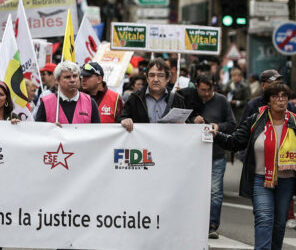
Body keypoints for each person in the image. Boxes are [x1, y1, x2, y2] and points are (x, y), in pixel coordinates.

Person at [214, 82, 296, 250]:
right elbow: (236, 141)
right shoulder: (256, 119)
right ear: (268, 101)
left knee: (279, 224)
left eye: (284, 97)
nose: (280, 100)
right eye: (275, 97)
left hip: (287, 181)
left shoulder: (294, 121)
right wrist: (217, 135)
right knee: (264, 218)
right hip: (261, 180)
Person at [190, 73, 235, 239]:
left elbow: (232, 124)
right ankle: (193, 222)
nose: (207, 93)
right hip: (193, 155)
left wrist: (218, 126)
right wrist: (193, 120)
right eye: (203, 90)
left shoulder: (221, 101)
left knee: (215, 192)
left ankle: (212, 225)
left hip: (216, 154)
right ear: (197, 87)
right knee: (194, 190)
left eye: (210, 90)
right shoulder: (190, 98)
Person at [120, 58, 188, 132]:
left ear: (167, 78)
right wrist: (125, 120)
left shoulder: (177, 99)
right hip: (141, 143)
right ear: (147, 78)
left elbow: (186, 123)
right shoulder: (135, 98)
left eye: (160, 75)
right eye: (152, 75)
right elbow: (122, 118)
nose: (155, 79)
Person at [34, 61, 100, 124]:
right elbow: (39, 131)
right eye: (67, 77)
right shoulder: (46, 102)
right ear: (57, 80)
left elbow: (97, 131)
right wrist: (50, 128)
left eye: (75, 76)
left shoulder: (90, 102)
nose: (72, 80)